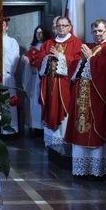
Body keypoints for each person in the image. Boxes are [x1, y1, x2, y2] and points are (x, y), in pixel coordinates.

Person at [64, 19, 106, 177]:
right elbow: (75, 65)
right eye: (94, 31)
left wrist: (90, 60)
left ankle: (98, 170)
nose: (97, 34)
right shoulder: (90, 47)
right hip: (82, 95)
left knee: (97, 129)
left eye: (100, 31)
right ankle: (84, 169)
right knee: (80, 127)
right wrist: (82, 60)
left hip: (98, 96)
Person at [36, 16, 83, 148]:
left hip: (65, 86)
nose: (61, 28)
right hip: (48, 85)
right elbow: (39, 58)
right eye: (58, 26)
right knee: (49, 107)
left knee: (64, 109)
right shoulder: (49, 43)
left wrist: (60, 57)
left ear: (70, 27)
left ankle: (63, 143)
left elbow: (77, 62)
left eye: (64, 25)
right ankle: (50, 143)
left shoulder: (76, 43)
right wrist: (47, 59)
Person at [21, 25, 52, 135]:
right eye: (37, 32)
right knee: (34, 101)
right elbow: (28, 60)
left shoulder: (48, 46)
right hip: (34, 78)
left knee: (42, 101)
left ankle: (44, 127)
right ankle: (35, 127)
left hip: (44, 78)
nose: (38, 34)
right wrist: (26, 61)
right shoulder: (33, 48)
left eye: (41, 32)